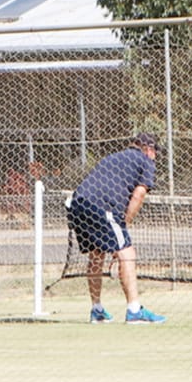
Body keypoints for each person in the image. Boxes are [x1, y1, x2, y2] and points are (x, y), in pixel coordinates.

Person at [67, 131, 166, 324]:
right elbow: (138, 195)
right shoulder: (146, 161)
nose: (155, 156)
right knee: (127, 253)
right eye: (155, 152)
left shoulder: (113, 157)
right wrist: (124, 225)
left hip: (77, 204)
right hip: (102, 206)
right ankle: (135, 311)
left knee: (96, 253)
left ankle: (97, 309)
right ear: (148, 149)